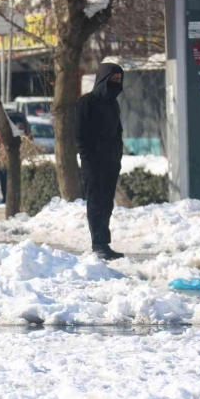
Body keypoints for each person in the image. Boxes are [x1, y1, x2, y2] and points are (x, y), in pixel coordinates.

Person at [74, 63, 125, 261]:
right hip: (93, 163)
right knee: (95, 202)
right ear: (103, 79)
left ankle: (105, 242)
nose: (116, 83)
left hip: (111, 161)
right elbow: (80, 136)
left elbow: (118, 131)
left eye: (119, 80)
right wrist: (88, 158)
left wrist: (117, 155)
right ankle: (98, 244)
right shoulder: (86, 102)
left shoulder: (114, 104)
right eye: (113, 79)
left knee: (106, 203)